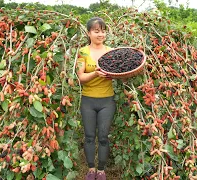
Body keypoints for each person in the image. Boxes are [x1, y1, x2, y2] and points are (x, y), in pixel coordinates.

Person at [76, 17, 116, 180]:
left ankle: (101, 170)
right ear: (89, 33)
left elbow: (118, 73)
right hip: (88, 100)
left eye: (103, 31)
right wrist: (95, 73)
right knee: (90, 136)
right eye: (96, 31)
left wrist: (112, 75)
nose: (100, 34)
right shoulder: (83, 52)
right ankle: (91, 169)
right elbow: (81, 77)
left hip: (107, 100)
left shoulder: (110, 51)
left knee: (104, 136)